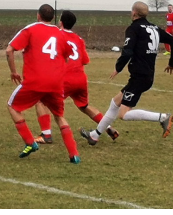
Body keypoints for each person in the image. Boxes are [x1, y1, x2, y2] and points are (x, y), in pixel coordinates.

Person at [80, 1, 173, 145]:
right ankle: (95, 135)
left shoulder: (134, 28)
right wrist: (172, 63)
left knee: (123, 114)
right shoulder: (154, 28)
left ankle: (163, 117)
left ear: (134, 13)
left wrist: (118, 68)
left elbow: (127, 52)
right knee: (115, 103)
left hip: (140, 77)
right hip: (145, 75)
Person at [6, 4, 80, 164]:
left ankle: (30, 142)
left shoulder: (31, 29)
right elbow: (67, 57)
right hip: (55, 82)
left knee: (12, 106)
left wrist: (13, 71)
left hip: (35, 80)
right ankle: (74, 154)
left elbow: (9, 50)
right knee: (59, 116)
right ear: (53, 18)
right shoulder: (59, 34)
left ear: (38, 15)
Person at [31, 10, 119, 144]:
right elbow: (84, 60)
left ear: (60, 22)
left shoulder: (56, 35)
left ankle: (46, 134)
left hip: (65, 79)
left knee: (41, 102)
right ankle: (108, 128)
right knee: (84, 106)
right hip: (80, 79)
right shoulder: (79, 39)